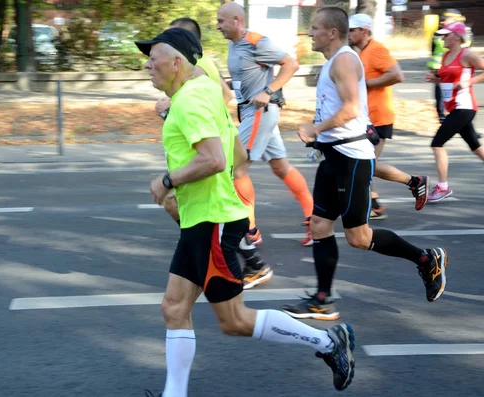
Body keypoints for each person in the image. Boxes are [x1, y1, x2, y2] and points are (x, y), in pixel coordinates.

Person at [136, 27, 355, 397]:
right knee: (174, 308)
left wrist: (168, 182)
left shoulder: (189, 102)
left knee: (234, 320)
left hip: (212, 221)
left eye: (153, 59)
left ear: (176, 62)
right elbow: (236, 155)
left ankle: (329, 341)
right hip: (205, 218)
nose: (147, 66)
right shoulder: (204, 89)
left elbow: (215, 158)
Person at [281, 7, 448, 321]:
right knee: (319, 226)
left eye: (315, 28)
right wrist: (320, 137)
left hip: (351, 159)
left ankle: (426, 259)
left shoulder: (344, 59)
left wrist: (314, 129)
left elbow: (351, 109)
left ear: (332, 32)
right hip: (333, 156)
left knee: (359, 237)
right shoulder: (335, 61)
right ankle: (322, 299)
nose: (310, 33)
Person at [156, 17, 271, 290]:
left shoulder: (197, 70)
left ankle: (247, 257)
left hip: (212, 159)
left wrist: (169, 110)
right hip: (219, 149)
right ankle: (222, 247)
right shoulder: (199, 70)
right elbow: (222, 100)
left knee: (235, 319)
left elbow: (215, 102)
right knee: (175, 307)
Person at [217, 2, 315, 250]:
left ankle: (250, 230)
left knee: (235, 168)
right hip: (253, 113)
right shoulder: (233, 44)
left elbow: (291, 63)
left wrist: (268, 90)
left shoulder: (257, 41)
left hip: (260, 112)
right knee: (281, 167)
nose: (217, 26)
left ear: (237, 20)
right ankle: (314, 221)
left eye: (221, 21)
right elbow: (244, 77)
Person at [348, 13, 429, 218]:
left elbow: (397, 75)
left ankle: (415, 181)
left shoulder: (377, 50)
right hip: (366, 118)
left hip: (379, 118)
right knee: (365, 164)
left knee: (366, 165)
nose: (348, 34)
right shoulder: (361, 52)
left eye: (352, 30)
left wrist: (365, 85)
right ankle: (374, 204)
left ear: (364, 31)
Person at [425, 21, 484, 203]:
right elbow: (447, 81)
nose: (443, 38)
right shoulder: (445, 56)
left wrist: (469, 82)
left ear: (457, 37)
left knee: (437, 143)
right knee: (475, 146)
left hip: (464, 107)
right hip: (454, 107)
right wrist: (436, 80)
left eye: (446, 35)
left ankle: (443, 187)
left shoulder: (467, 55)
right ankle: (443, 187)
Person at [428, 9, 471, 124]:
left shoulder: (462, 33)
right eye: (442, 20)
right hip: (439, 68)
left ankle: (457, 121)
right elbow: (433, 50)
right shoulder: (438, 33)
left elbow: (464, 47)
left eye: (445, 19)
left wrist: (470, 81)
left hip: (457, 69)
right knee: (442, 96)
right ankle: (443, 118)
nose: (442, 22)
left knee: (458, 98)